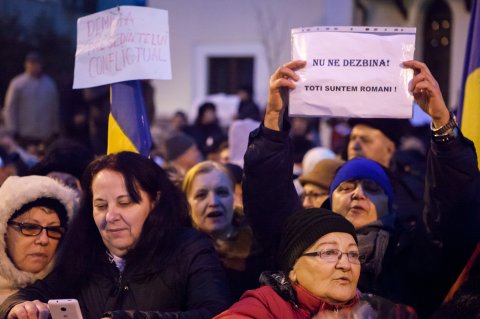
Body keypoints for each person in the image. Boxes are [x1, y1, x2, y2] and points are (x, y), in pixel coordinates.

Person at [242, 60, 479, 318]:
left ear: (391, 206)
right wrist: (273, 119)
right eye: (346, 187)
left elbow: (452, 206)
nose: (358, 194)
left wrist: (442, 121)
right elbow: (269, 199)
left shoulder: (410, 257)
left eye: (372, 188)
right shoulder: (300, 245)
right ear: (330, 202)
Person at [0, 152, 230, 319]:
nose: (110, 216)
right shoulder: (85, 253)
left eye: (125, 203)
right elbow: (27, 295)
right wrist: (19, 307)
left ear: (154, 201)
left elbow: (216, 312)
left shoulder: (190, 248)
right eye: (100, 205)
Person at [214, 208, 417, 318]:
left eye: (353, 254)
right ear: (293, 268)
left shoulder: (373, 311)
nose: (345, 265)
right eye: (329, 252)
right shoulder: (265, 305)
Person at [182, 161, 264, 300]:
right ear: (187, 203)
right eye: (201, 195)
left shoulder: (260, 244)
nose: (213, 202)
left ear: (234, 198)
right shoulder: (177, 252)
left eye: (222, 192)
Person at [0, 175, 76, 303]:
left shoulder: (75, 294)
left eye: (54, 230)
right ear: (4, 230)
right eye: (30, 227)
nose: (44, 240)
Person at [2, 52, 60, 153]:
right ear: (26, 64)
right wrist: (12, 129)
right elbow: (10, 108)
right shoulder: (17, 83)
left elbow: (54, 108)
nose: (34, 66)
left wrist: (55, 129)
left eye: (37, 63)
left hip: (45, 135)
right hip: (24, 134)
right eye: (31, 63)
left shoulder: (49, 83)